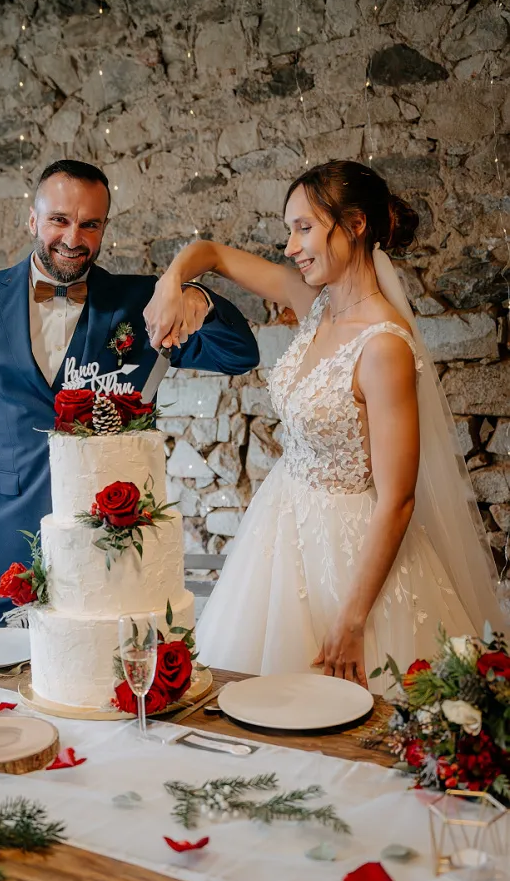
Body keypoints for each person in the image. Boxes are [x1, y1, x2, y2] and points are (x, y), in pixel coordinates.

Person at [143, 159, 506, 691]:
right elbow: (212, 254)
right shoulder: (313, 303)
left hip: (349, 556)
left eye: (304, 228)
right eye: (289, 230)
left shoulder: (383, 347)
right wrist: (171, 282)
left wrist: (352, 620)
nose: (290, 247)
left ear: (355, 224)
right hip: (279, 528)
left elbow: (398, 499)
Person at [0, 159, 259, 628]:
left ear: (104, 227)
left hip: (111, 555)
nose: (73, 238)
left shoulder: (143, 303)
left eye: (90, 224)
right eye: (59, 220)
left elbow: (238, 355)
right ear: (33, 220)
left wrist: (198, 297)